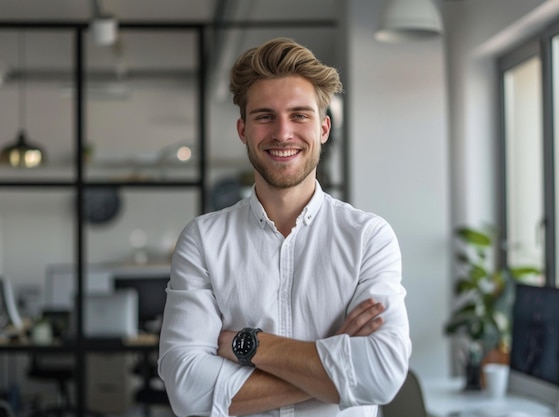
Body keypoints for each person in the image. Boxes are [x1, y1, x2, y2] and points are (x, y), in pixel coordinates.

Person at [158, 37, 411, 417]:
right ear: (243, 130)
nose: (282, 133)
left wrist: (251, 346)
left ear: (324, 129)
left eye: (299, 115)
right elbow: (186, 388)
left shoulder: (368, 238)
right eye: (265, 116)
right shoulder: (203, 240)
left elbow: (382, 374)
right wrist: (333, 361)